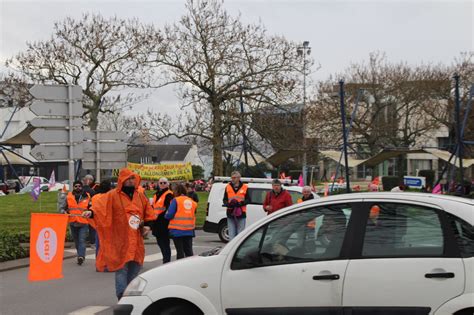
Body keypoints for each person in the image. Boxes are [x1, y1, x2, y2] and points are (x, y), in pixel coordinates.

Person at [82, 168, 155, 300]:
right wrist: (91, 212)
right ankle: (122, 296)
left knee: (136, 265)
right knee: (122, 266)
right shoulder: (112, 195)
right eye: (128, 179)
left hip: (136, 238)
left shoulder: (140, 196)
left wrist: (148, 225)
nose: (131, 181)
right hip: (119, 237)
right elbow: (100, 207)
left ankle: (130, 291)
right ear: (122, 180)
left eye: (133, 178)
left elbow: (148, 211)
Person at [61, 181, 91, 266]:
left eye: (79, 186)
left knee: (82, 240)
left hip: (83, 222)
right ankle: (80, 254)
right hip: (73, 222)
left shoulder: (87, 196)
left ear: (82, 187)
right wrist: (63, 212)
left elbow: (91, 208)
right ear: (73, 187)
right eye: (76, 186)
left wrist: (90, 212)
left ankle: (81, 256)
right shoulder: (69, 196)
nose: (78, 187)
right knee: (77, 241)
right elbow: (63, 208)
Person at [165, 184, 197, 259]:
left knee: (180, 252)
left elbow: (169, 215)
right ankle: (190, 268)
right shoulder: (191, 201)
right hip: (189, 230)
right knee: (189, 252)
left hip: (177, 230)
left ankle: (180, 269)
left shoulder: (176, 200)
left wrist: (166, 214)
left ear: (176, 191)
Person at [88, 180, 112, 270]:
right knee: (109, 246)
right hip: (110, 225)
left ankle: (99, 264)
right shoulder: (111, 197)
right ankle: (107, 264)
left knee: (99, 244)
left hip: (98, 224)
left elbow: (91, 209)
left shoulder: (95, 197)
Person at [151, 177, 174, 264]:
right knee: (160, 242)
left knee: (165, 243)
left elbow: (169, 208)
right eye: (161, 183)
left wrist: (159, 215)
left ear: (168, 184)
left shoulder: (169, 194)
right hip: (156, 222)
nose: (162, 184)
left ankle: (166, 261)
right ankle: (165, 258)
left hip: (164, 222)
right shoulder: (156, 194)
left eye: (164, 183)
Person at [222, 171, 250, 240]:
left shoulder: (245, 187)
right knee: (231, 235)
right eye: (232, 178)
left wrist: (240, 203)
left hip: (241, 213)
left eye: (234, 178)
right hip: (230, 213)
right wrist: (228, 204)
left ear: (238, 178)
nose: (233, 179)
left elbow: (248, 200)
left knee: (240, 235)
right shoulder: (228, 187)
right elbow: (225, 199)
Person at [82, 174, 97, 246]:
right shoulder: (92, 191)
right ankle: (92, 241)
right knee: (91, 227)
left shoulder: (81, 189)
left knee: (83, 227)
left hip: (81, 211)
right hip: (90, 210)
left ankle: (83, 240)